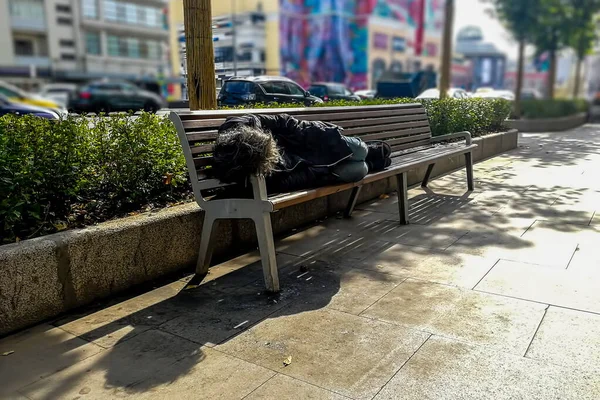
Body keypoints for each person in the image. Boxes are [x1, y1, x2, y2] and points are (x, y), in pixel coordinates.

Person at [212, 113, 391, 194]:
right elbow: (298, 179)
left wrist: (314, 136)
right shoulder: (260, 174)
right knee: (359, 170)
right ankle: (372, 162)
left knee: (361, 150)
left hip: (312, 142)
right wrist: (321, 173)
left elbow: (286, 122)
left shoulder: (241, 125)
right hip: (313, 166)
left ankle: (369, 150)